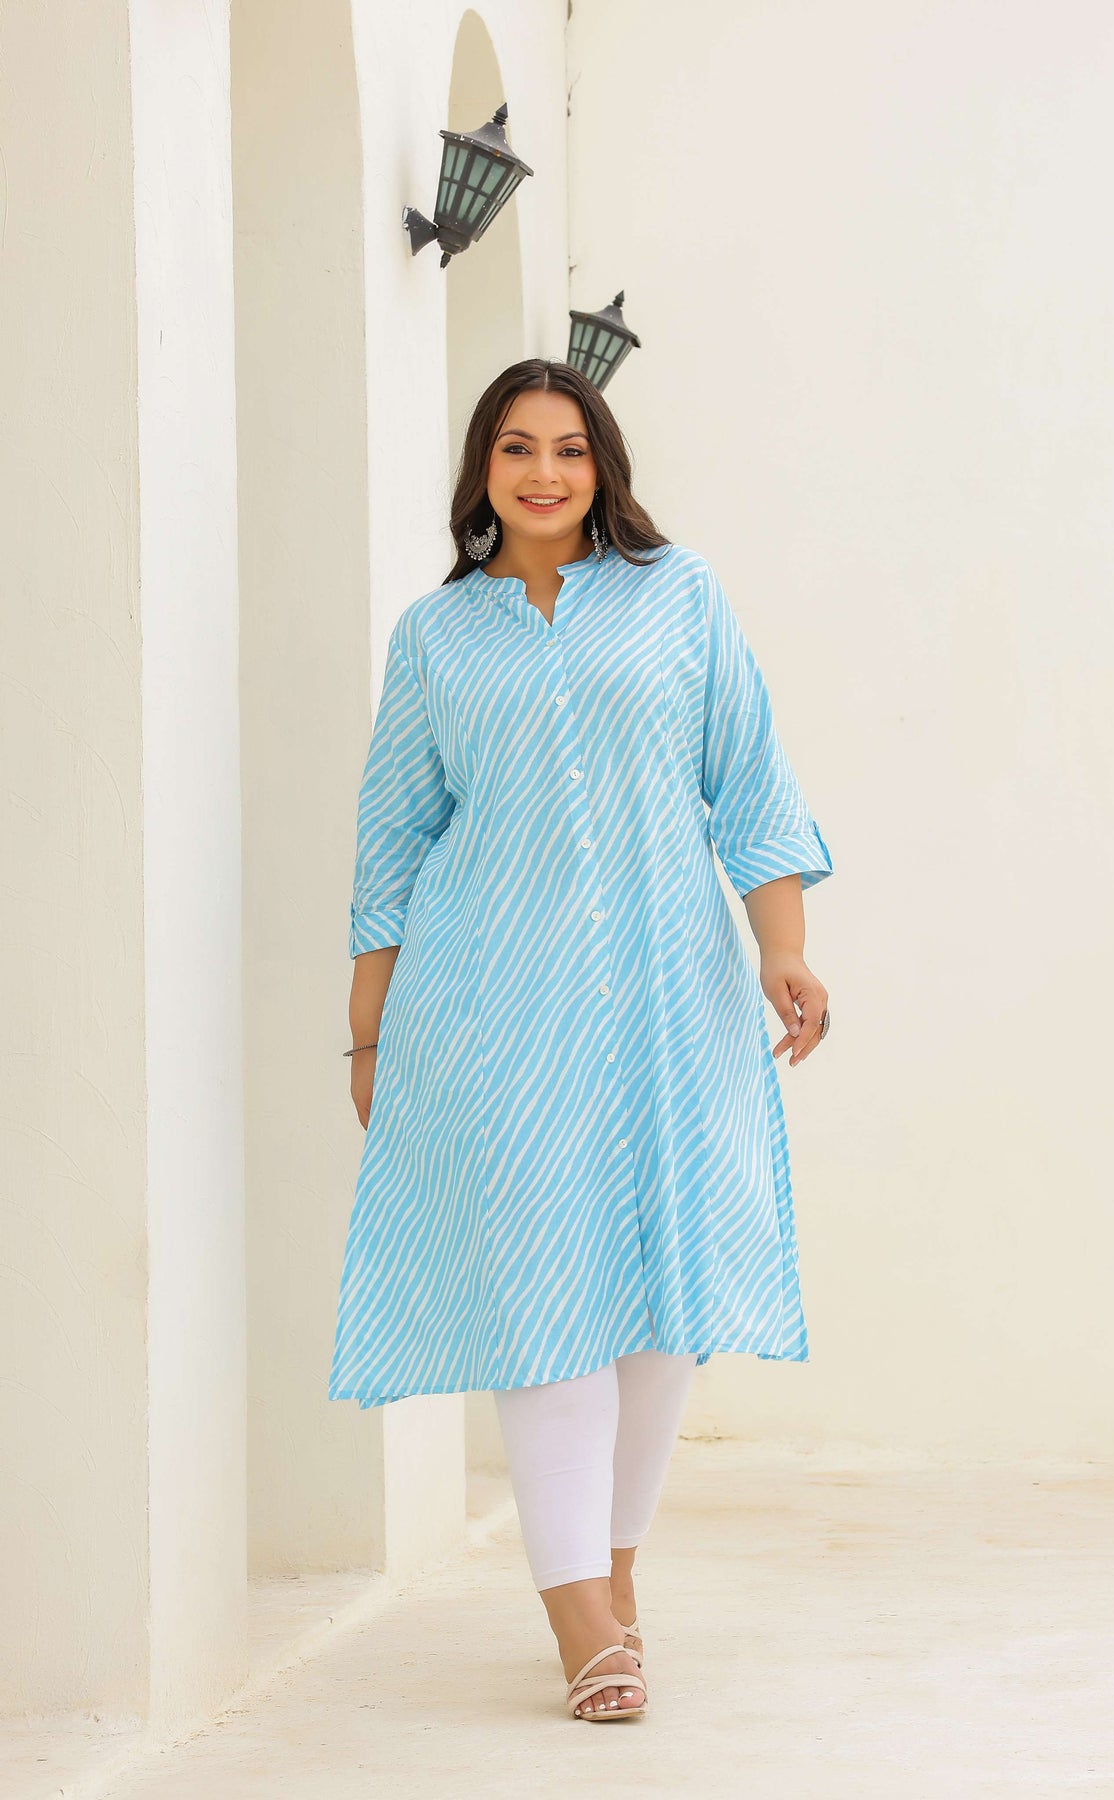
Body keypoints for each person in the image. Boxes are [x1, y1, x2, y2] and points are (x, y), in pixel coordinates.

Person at [330, 359, 834, 1722]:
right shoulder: (436, 639)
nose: (542, 472)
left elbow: (750, 780)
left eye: (567, 447)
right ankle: (578, 1624)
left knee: (661, 1309)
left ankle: (611, 1578)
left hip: (673, 998)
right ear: (481, 471)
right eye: (515, 448)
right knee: (542, 1299)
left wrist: (783, 948)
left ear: (602, 463)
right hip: (491, 1008)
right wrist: (369, 1032)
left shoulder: (679, 598)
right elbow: (393, 839)